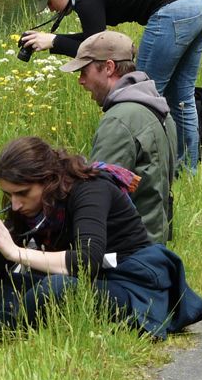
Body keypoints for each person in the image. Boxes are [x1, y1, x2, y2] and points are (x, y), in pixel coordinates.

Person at [0, 137, 202, 340]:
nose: (15, 204)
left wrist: (15, 252)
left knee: (56, 289)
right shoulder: (29, 205)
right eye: (9, 194)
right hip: (79, 284)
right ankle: (21, 320)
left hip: (126, 285)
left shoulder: (91, 189)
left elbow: (87, 262)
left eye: (21, 193)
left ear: (48, 180)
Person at [20, 0, 202, 171]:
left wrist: (54, 41)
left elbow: (96, 51)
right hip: (198, 2)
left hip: (175, 11)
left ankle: (136, 169)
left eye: (49, 2)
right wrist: (51, 40)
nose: (51, 10)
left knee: (139, 96)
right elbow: (93, 40)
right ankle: (187, 170)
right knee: (182, 97)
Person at [59, 31, 176, 244]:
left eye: (85, 71)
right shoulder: (158, 109)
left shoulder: (120, 120)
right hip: (156, 241)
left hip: (128, 250)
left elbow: (95, 194)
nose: (81, 81)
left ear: (109, 68)